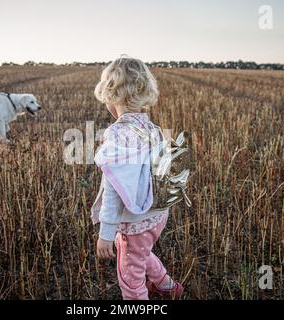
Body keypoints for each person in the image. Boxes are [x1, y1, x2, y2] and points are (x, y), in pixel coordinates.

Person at [91, 56, 183, 300]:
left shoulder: (117, 134)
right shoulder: (152, 128)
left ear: (111, 97)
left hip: (135, 220)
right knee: (140, 251)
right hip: (157, 215)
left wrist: (106, 233)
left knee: (130, 278)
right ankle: (166, 285)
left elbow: (112, 189)